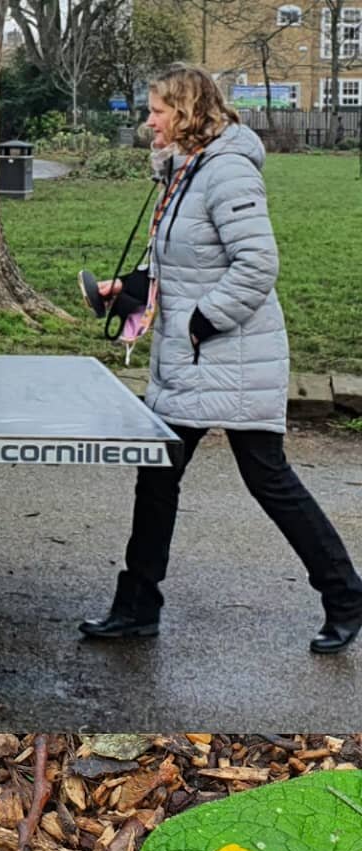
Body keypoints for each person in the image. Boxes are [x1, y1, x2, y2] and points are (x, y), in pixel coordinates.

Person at [80, 65, 362, 656]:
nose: (148, 121)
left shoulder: (227, 171)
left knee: (268, 479)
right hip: (194, 356)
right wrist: (126, 288)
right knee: (158, 476)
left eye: (157, 110)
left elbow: (257, 264)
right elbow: (183, 264)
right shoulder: (185, 172)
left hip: (229, 354)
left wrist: (199, 323)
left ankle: (346, 596)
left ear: (184, 113)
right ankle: (136, 607)